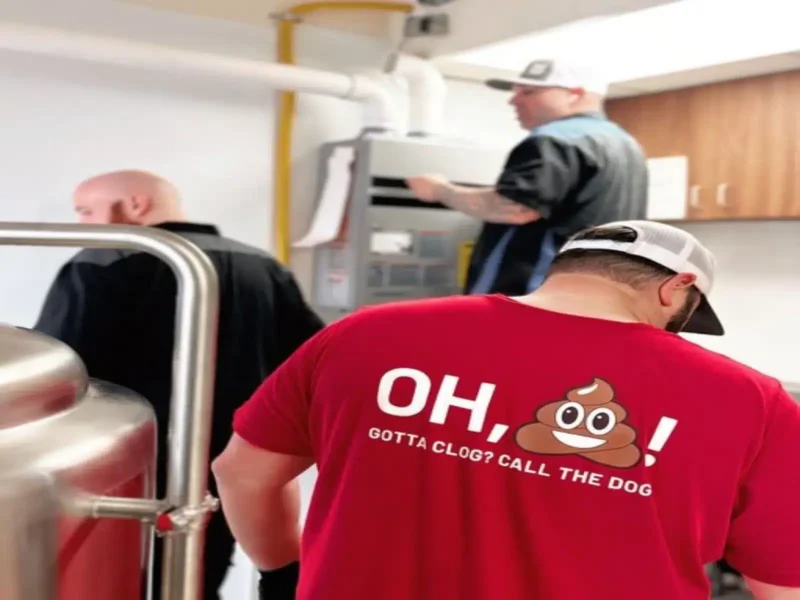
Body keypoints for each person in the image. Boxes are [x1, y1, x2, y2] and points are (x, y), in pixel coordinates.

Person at [212, 220, 800, 600]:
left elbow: (239, 472)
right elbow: (782, 586)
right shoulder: (754, 402)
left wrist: (282, 573)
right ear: (676, 290)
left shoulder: (364, 335)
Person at [33, 170, 324, 600]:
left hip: (132, 470)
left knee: (127, 581)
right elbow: (309, 362)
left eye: (86, 212)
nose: (83, 226)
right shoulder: (261, 265)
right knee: (198, 577)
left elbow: (58, 373)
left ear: (135, 205)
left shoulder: (104, 261)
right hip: (233, 464)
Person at [407, 58, 648, 296]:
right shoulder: (626, 143)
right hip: (589, 294)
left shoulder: (554, 140)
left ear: (574, 94)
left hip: (532, 295)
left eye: (528, 92)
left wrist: (439, 190)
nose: (513, 100)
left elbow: (514, 208)